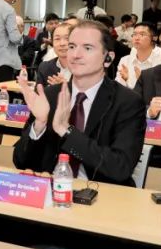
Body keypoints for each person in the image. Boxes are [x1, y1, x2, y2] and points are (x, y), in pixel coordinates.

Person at [14, 21, 146, 185]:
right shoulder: (50, 95)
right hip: (50, 190)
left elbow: (120, 167)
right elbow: (21, 162)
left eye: (87, 48)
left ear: (108, 58)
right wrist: (39, 125)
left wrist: (67, 131)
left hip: (100, 193)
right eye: (72, 47)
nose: (76, 55)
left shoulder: (127, 102)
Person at [115, 22, 161, 89]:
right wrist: (125, 80)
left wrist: (143, 82)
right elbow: (117, 88)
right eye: (134, 34)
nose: (136, 38)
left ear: (154, 38)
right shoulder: (125, 60)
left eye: (142, 34)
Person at [35, 21, 72, 87]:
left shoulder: (86, 68)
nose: (62, 43)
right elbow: (38, 92)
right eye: (57, 39)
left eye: (67, 38)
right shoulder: (44, 67)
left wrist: (66, 87)